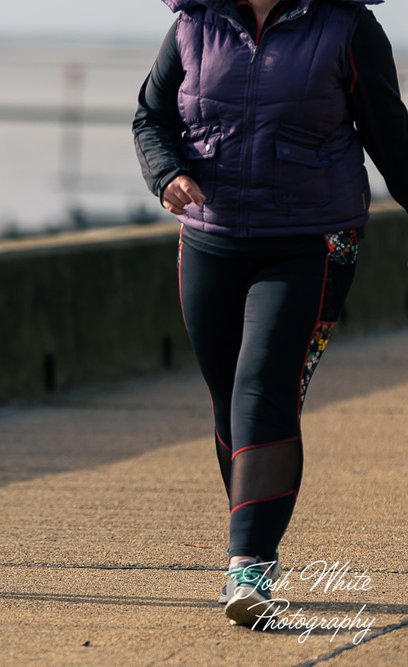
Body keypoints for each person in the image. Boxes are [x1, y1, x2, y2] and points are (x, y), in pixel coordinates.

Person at [133, 0, 408, 627]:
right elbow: (150, 117)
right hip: (210, 238)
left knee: (265, 384)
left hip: (312, 240)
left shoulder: (347, 27)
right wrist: (165, 172)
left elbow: (391, 136)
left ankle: (249, 560)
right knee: (230, 398)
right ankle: (252, 537)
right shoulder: (193, 25)